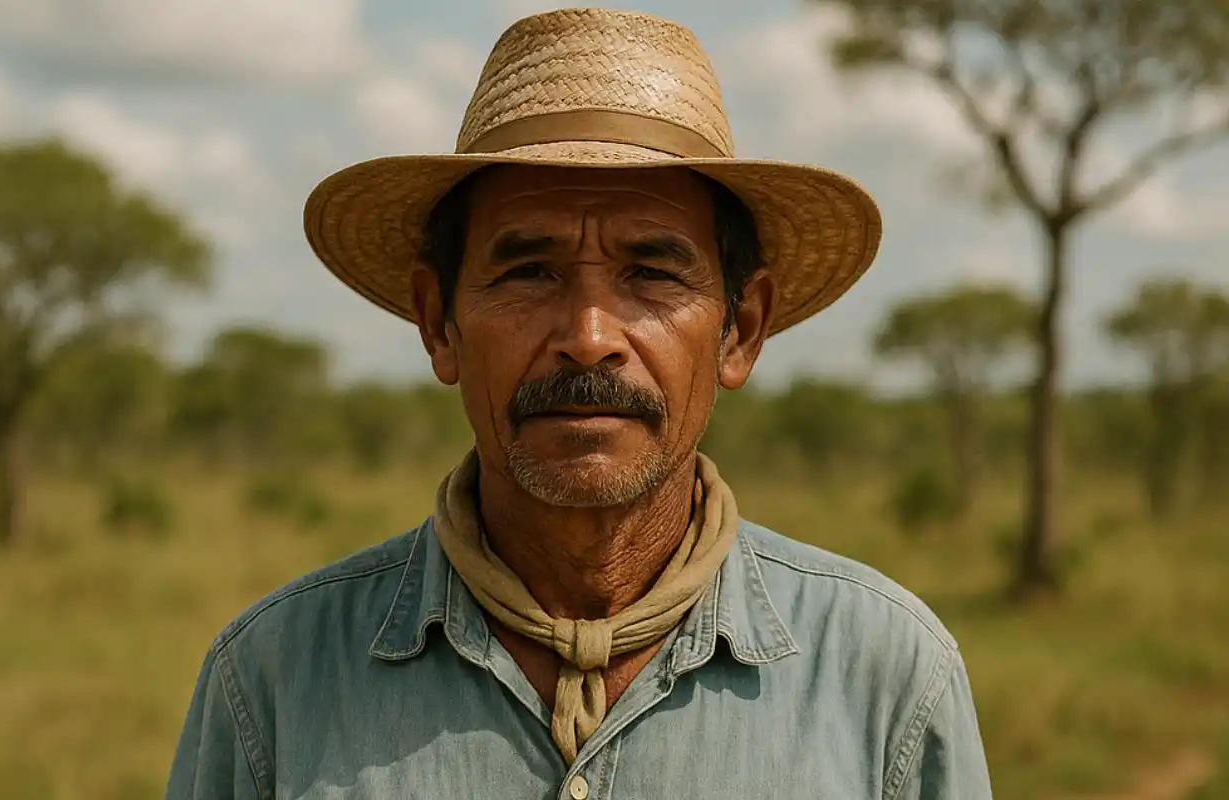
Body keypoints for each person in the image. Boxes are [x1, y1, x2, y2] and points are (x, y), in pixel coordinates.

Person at [165, 7, 992, 799]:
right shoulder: (274, 677)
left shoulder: (885, 673)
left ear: (740, 329)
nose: (590, 336)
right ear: (437, 322)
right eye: (529, 270)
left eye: (651, 271)